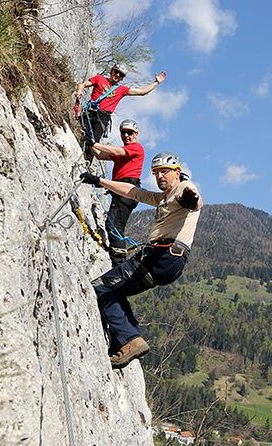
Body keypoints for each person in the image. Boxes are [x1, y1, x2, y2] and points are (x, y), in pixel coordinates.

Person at [80, 153, 202, 369]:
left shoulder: (183, 188)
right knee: (117, 290)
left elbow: (194, 200)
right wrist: (98, 181)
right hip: (167, 261)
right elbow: (134, 192)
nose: (160, 176)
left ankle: (129, 340)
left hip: (162, 255)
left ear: (176, 172)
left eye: (164, 171)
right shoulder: (163, 198)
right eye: (156, 173)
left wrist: (192, 199)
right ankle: (128, 340)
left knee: (101, 287)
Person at [74, 62, 167, 161]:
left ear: (122, 78)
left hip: (103, 117)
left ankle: (86, 161)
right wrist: (79, 91)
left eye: (121, 74)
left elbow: (142, 92)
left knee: (94, 142)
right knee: (82, 132)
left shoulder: (121, 89)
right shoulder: (99, 79)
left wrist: (156, 82)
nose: (117, 75)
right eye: (116, 72)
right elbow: (83, 84)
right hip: (90, 112)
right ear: (112, 71)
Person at [91, 119, 144, 266]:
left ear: (136, 134)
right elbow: (100, 155)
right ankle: (119, 262)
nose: (126, 135)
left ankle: (119, 264)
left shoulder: (136, 147)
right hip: (122, 189)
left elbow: (115, 151)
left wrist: (94, 143)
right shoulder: (124, 152)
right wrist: (90, 142)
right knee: (114, 225)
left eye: (130, 132)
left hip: (128, 187)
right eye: (123, 132)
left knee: (114, 226)